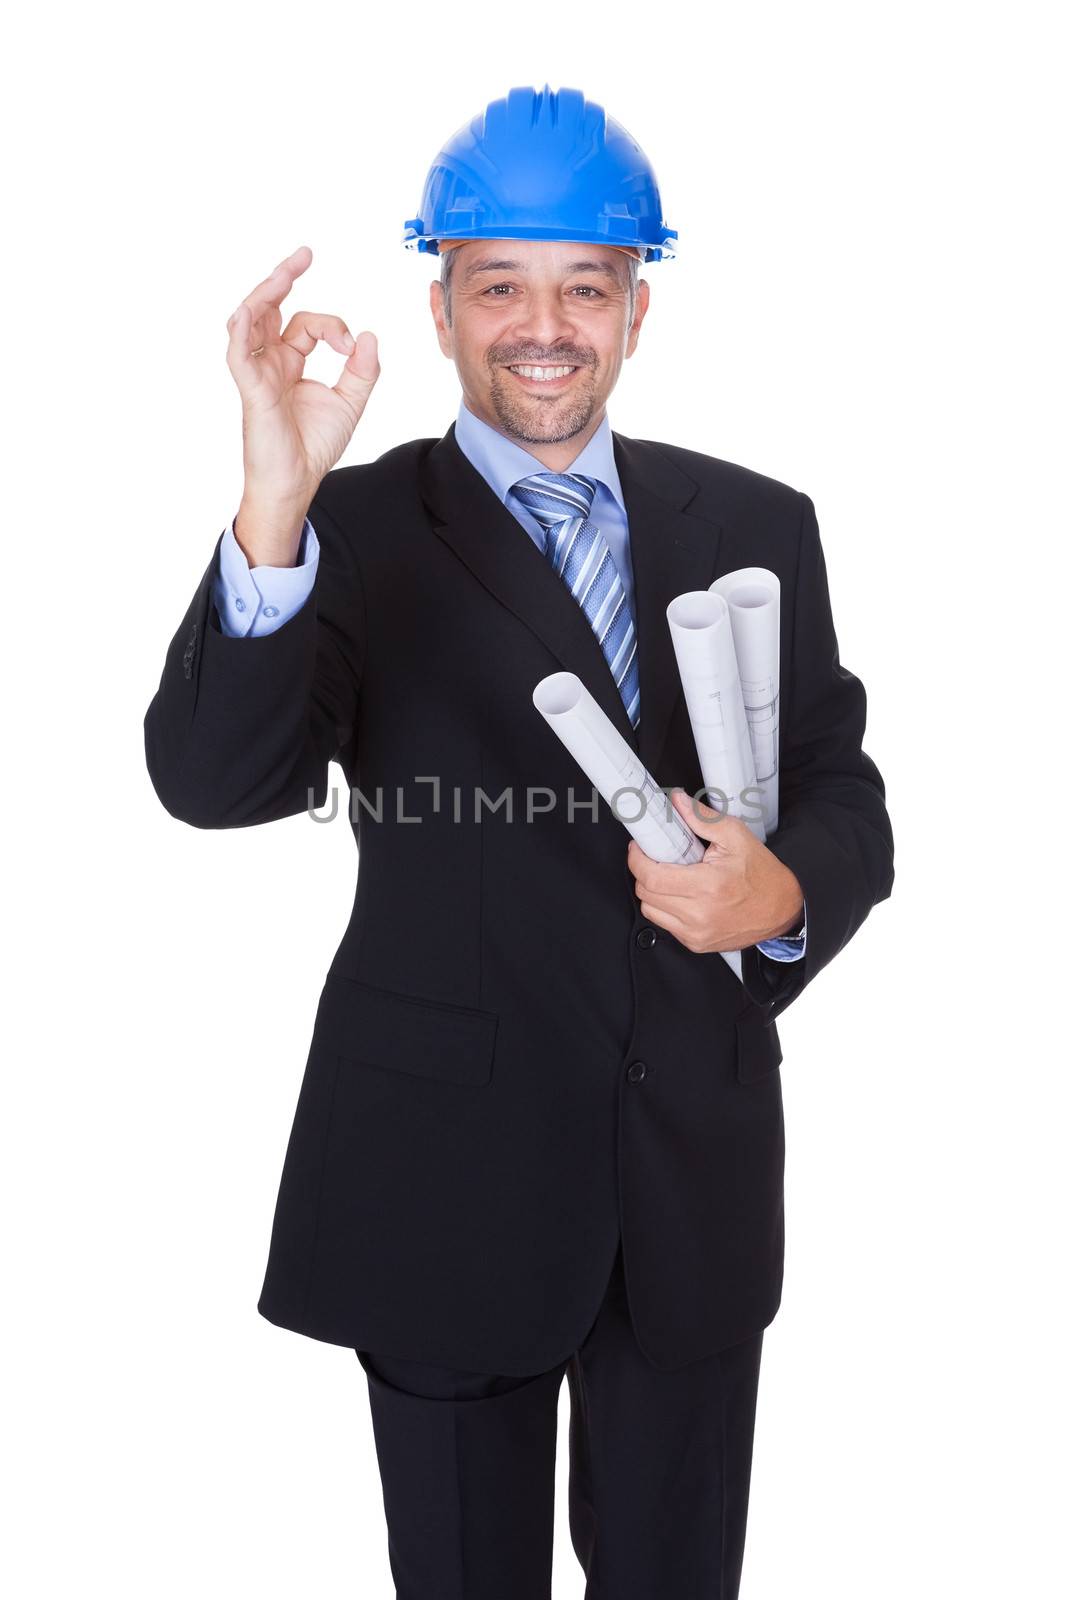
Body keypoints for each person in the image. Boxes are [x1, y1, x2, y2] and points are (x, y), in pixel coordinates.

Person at [144, 84, 894, 1600]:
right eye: (501, 286)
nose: (543, 326)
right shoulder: (350, 529)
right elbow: (214, 779)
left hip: (691, 1171)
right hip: (446, 1180)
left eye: (584, 288)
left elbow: (839, 782)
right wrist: (274, 504)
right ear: (440, 309)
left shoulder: (755, 521)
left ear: (636, 311)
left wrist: (784, 888)